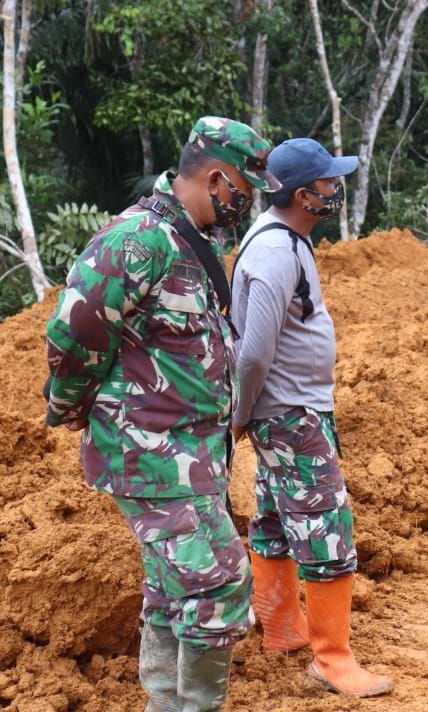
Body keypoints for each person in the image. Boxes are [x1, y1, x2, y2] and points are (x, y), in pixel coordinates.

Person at [45, 117, 280, 711]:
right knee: (220, 582)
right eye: (245, 193)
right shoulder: (140, 240)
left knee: (172, 585)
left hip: (191, 455)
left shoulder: (194, 242)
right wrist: (71, 404)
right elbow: (76, 329)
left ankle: (166, 702)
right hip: (150, 453)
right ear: (219, 178)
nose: (246, 206)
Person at [230, 138, 392, 698]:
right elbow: (252, 352)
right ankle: (332, 659)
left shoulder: (285, 239)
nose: (335, 190)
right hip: (290, 415)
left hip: (289, 411)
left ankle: (280, 628)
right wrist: (241, 413)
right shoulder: (275, 254)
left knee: (275, 517)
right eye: (328, 184)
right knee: (326, 527)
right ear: (305, 195)